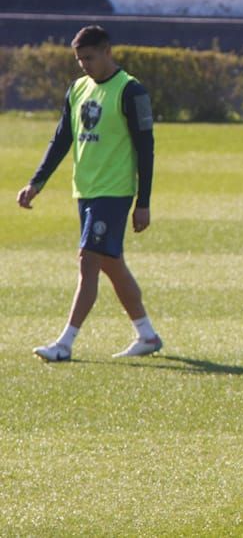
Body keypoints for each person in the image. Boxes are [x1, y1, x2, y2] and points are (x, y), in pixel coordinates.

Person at [17, 25, 162, 362]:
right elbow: (61, 139)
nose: (84, 65)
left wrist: (144, 202)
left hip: (113, 194)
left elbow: (146, 149)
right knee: (112, 264)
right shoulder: (78, 89)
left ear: (107, 51)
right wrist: (36, 182)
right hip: (85, 191)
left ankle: (65, 344)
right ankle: (147, 334)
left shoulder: (130, 91)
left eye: (90, 58)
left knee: (88, 262)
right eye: (80, 59)